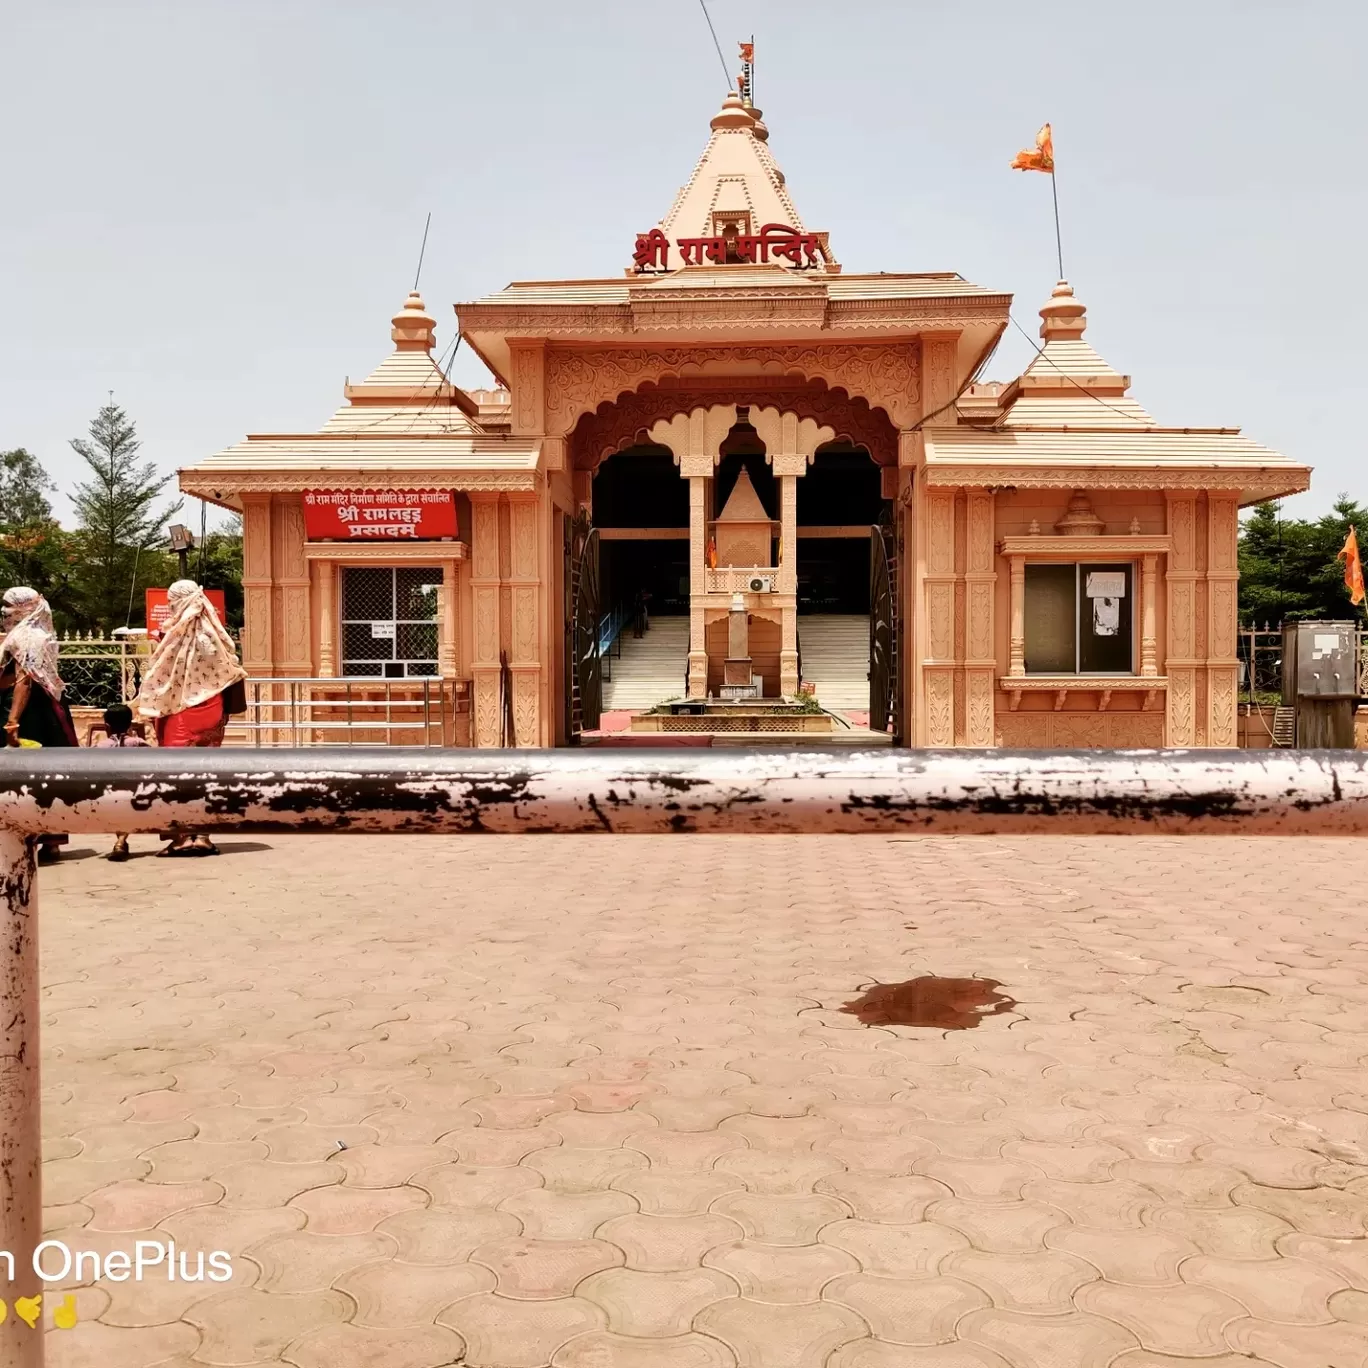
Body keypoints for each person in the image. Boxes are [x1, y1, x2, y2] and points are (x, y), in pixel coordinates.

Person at [134, 579, 246, 857]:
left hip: (179, 714)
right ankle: (203, 836)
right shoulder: (216, 636)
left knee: (177, 776)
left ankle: (183, 837)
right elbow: (230, 672)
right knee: (206, 774)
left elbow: (161, 680)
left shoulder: (175, 636)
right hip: (212, 713)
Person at [0, 587, 78, 863]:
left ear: (23, 608)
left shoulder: (29, 636)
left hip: (33, 712)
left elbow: (25, 681)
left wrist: (12, 721)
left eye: (8, 606)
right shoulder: (27, 634)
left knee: (33, 774)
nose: (4, 612)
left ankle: (42, 838)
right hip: (36, 708)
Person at [87, 704, 150, 862]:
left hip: (108, 792)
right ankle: (121, 841)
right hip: (135, 790)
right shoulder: (138, 743)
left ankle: (120, 841)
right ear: (130, 724)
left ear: (106, 726)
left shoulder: (99, 747)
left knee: (118, 814)